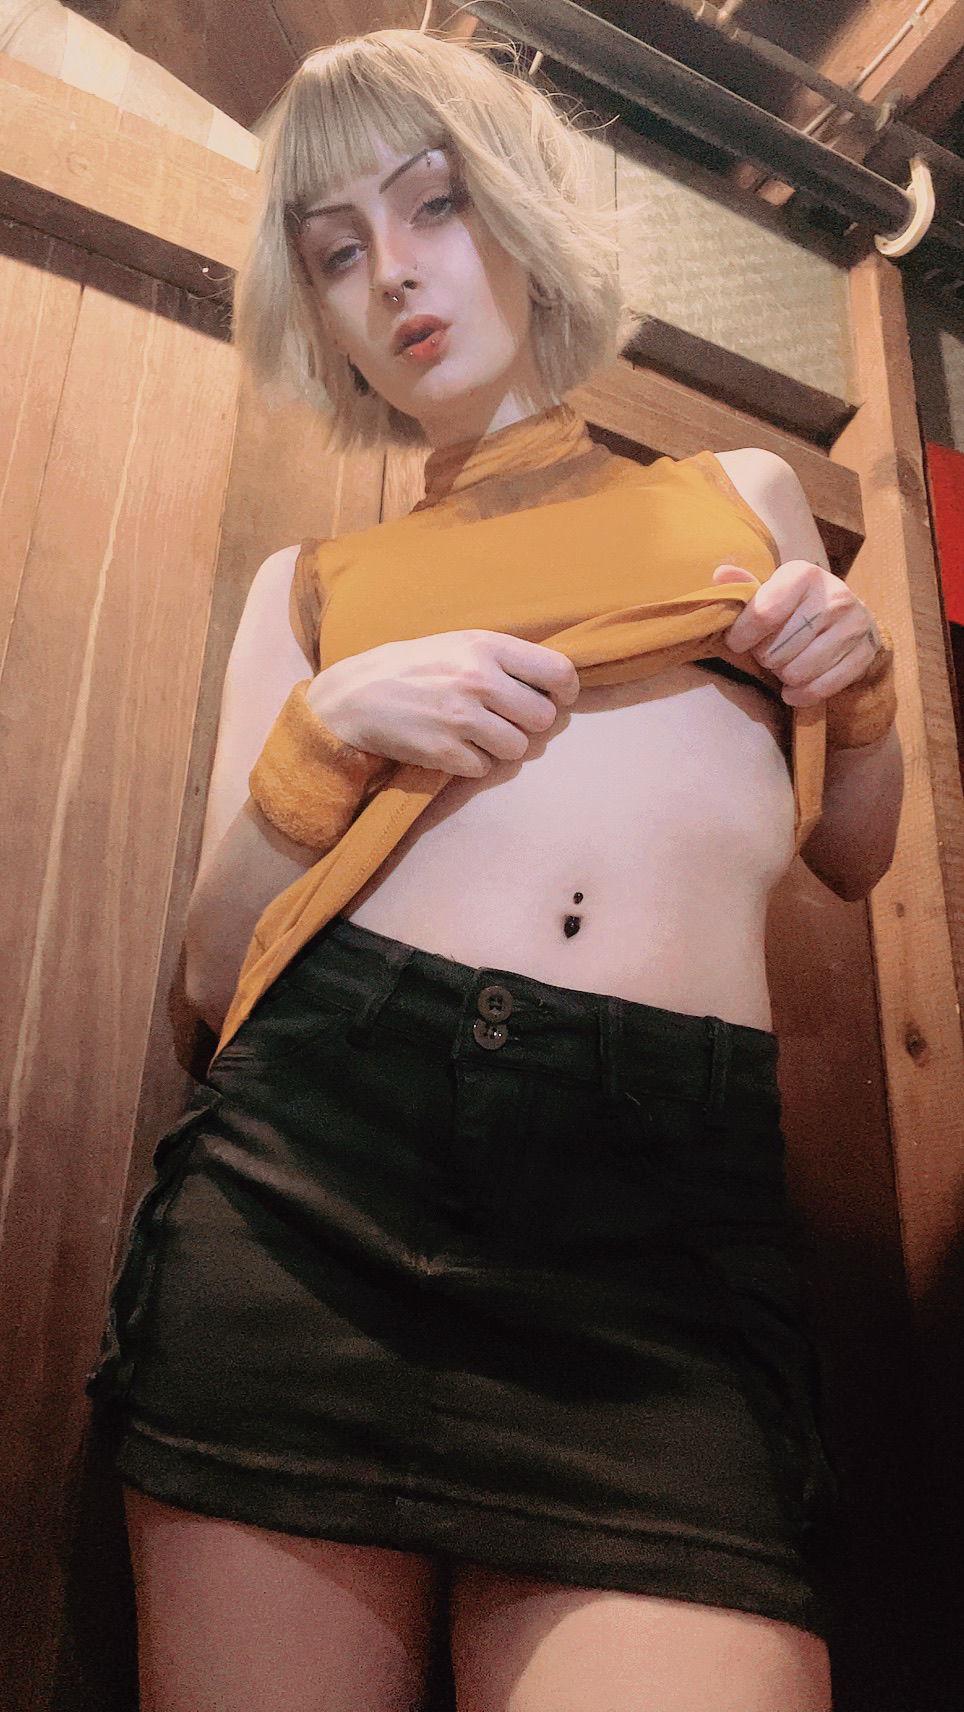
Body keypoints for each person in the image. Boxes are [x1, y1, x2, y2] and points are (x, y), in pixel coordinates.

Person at [85, 26, 903, 1712]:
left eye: (435, 205)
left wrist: (863, 695)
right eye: (335, 252)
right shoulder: (312, 591)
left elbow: (854, 850)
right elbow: (209, 987)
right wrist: (318, 745)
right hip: (317, 1186)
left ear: (521, 212)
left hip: (662, 1244)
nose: (391, 273)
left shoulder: (736, 499)